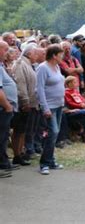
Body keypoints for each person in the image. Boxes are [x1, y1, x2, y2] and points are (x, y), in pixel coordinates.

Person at [36, 44, 65, 175]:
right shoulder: (42, 68)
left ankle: (51, 160)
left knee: (55, 133)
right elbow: (40, 89)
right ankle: (44, 163)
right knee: (53, 132)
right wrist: (45, 107)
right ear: (54, 55)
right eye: (60, 54)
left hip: (59, 105)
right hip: (50, 106)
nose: (62, 57)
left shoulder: (57, 66)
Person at [10, 44, 38, 166]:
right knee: (19, 130)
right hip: (24, 104)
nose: (36, 56)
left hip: (31, 103)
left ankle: (20, 153)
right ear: (29, 54)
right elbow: (21, 85)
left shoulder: (29, 64)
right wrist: (25, 101)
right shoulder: (21, 64)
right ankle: (17, 154)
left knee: (23, 130)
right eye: (35, 53)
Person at [0, 41, 18, 178]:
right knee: (1, 137)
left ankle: (4, 162)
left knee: (4, 136)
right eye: (5, 49)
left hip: (4, 108)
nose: (8, 52)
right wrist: (7, 105)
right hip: (3, 109)